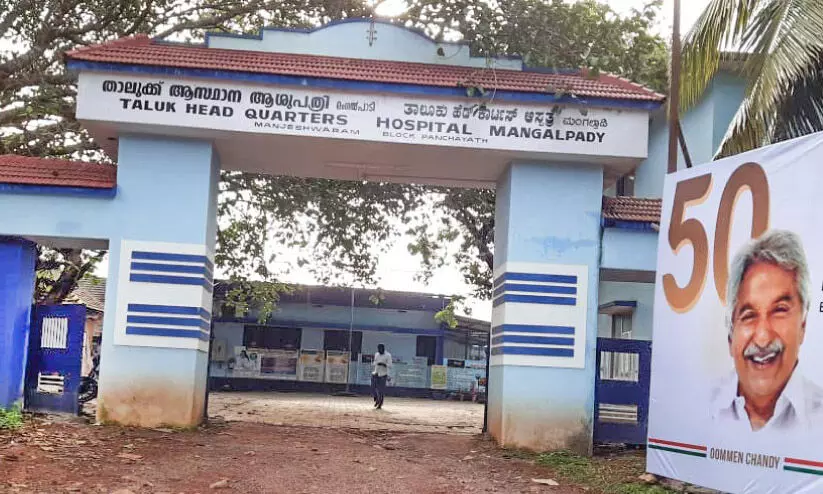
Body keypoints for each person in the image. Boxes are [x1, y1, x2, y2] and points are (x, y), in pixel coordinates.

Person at [710, 229, 823, 432]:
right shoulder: (703, 408)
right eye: (749, 315)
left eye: (779, 311)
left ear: (803, 325)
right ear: (731, 334)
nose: (762, 339)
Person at [371, 344, 392, 409]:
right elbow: (374, 362)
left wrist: (383, 364)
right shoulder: (376, 354)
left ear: (383, 349)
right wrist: (374, 363)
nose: (379, 350)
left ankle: (380, 404)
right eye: (378, 349)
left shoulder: (388, 355)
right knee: (373, 387)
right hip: (376, 372)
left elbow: (390, 365)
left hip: (383, 374)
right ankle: (376, 398)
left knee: (381, 390)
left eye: (380, 349)